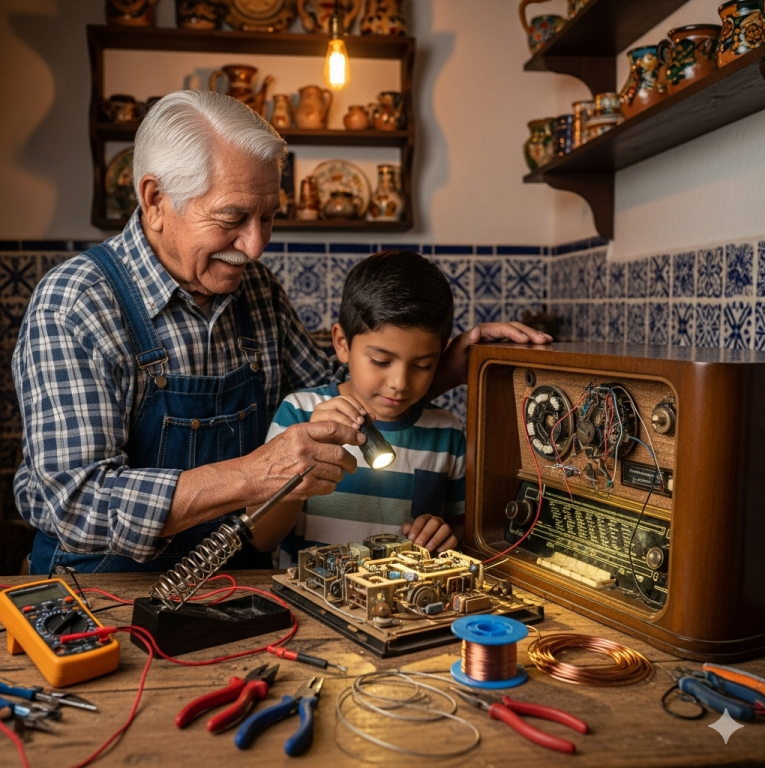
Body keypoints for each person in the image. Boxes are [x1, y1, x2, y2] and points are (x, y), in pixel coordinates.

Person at [12, 90, 551, 576]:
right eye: (232, 218)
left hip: (234, 580)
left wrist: (451, 364)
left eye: (268, 218)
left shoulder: (257, 291)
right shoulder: (77, 303)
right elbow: (77, 503)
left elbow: (345, 404)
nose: (254, 246)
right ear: (155, 201)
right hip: (106, 584)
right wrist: (252, 476)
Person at [261, 250, 465, 567]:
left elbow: (462, 529)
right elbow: (262, 537)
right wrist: (306, 455)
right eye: (381, 361)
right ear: (342, 344)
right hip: (310, 603)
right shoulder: (299, 414)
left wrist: (446, 534)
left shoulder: (447, 434)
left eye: (423, 365)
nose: (399, 382)